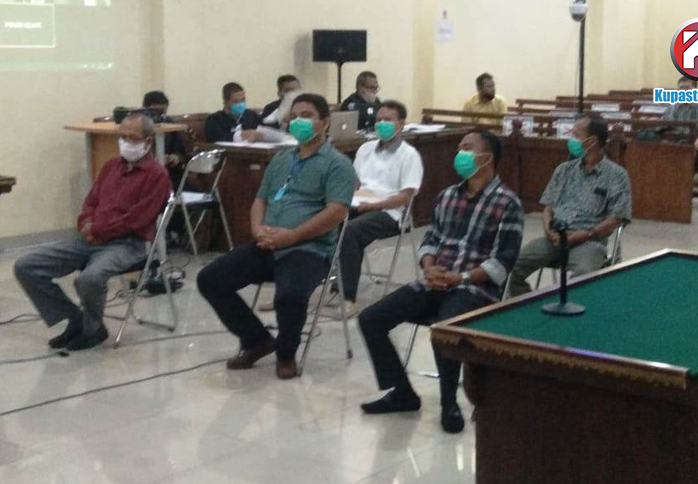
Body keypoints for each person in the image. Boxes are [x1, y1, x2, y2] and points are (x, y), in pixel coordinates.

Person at [358, 130, 524, 434]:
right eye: (459, 148)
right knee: (371, 318)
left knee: (444, 328)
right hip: (435, 281)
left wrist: (460, 277)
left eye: (467, 148)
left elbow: (503, 262)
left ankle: (449, 402)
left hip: (476, 288)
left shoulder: (507, 203)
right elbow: (431, 240)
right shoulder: (447, 196)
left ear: (487, 158)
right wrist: (430, 268)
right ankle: (402, 393)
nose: (459, 154)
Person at [196, 93, 357, 380]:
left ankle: (286, 354)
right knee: (210, 279)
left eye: (306, 116)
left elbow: (336, 212)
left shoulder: (337, 164)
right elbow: (260, 200)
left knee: (290, 296)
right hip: (268, 244)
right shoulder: (281, 159)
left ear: (325, 123)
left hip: (309, 249)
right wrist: (257, 229)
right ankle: (256, 340)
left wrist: (292, 236)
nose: (298, 122)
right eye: (293, 117)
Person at [14, 115, 172, 351]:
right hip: (90, 238)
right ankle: (75, 318)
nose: (126, 142)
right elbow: (91, 202)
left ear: (148, 141)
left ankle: (93, 329)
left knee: (89, 278)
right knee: (27, 266)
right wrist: (86, 223)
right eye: (122, 137)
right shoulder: (111, 166)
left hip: (127, 243)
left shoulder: (157, 175)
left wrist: (97, 229)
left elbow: (137, 219)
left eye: (132, 138)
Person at [505, 115, 631, 299]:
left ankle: (567, 310)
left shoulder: (616, 175)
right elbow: (548, 207)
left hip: (589, 241)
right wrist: (548, 229)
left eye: (576, 135)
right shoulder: (564, 170)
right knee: (513, 264)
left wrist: (587, 234)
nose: (571, 140)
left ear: (592, 141)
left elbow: (617, 217)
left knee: (584, 276)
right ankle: (527, 304)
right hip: (555, 238)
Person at [337, 100, 423, 314]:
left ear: (401, 123)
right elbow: (355, 183)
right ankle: (330, 280)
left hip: (390, 212)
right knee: (326, 221)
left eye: (387, 120)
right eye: (378, 120)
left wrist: (374, 204)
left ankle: (348, 298)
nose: (381, 124)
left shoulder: (409, 155)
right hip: (359, 204)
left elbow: (406, 196)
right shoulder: (365, 148)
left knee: (350, 231)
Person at [661, 77, 698, 170]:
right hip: (675, 146)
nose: (684, 91)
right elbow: (663, 128)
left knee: (684, 159)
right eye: (681, 88)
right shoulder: (671, 109)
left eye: (687, 88)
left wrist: (691, 149)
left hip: (697, 148)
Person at [142, 90, 190, 189]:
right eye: (157, 112)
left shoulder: (168, 124)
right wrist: (155, 160)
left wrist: (175, 157)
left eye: (163, 113)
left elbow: (180, 151)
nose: (161, 116)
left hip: (170, 172)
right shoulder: (137, 127)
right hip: (147, 174)